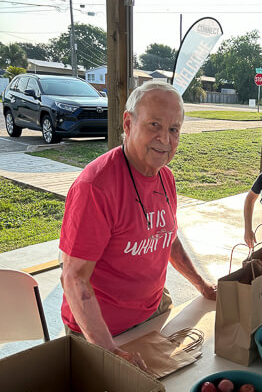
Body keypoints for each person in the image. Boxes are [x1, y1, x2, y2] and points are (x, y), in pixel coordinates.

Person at [60, 81, 216, 370]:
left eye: (173, 129)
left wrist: (202, 285)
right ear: (128, 123)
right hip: (101, 333)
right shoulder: (95, 187)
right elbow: (74, 279)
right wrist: (109, 351)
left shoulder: (165, 176)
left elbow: (167, 236)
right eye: (154, 125)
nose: (165, 139)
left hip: (154, 311)